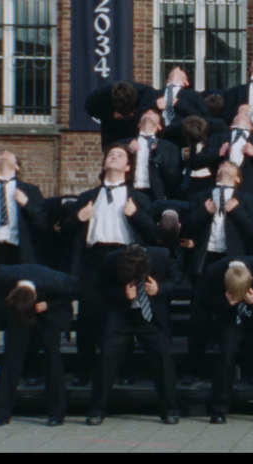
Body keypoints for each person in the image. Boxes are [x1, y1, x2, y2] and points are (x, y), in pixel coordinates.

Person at [65, 143, 157, 386]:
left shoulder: (138, 198)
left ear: (127, 167)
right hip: (94, 257)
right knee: (88, 315)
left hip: (123, 256)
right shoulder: (87, 197)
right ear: (105, 163)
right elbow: (64, 230)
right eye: (111, 155)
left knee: (124, 312)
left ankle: (123, 369)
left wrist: (135, 214)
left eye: (120, 156)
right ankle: (84, 369)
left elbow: (153, 233)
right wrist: (77, 218)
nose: (114, 157)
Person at [0, 151, 47, 386]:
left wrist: (27, 205)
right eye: (1, 155)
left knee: (26, 311)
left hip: (21, 258)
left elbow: (44, 225)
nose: (5, 156)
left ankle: (30, 368)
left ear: (17, 166)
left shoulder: (30, 191)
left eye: (10, 155)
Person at [85, 245, 180, 426]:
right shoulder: (110, 260)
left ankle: (170, 409)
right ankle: (97, 409)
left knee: (163, 355)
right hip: (121, 316)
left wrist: (160, 288)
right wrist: (121, 293)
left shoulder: (162, 255)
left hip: (151, 317)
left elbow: (178, 280)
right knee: (106, 356)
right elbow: (100, 288)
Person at [182, 161, 253, 382]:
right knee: (198, 316)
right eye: (221, 165)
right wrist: (205, 212)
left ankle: (244, 368)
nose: (224, 166)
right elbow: (185, 228)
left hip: (233, 261)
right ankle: (194, 368)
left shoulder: (247, 199)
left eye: (230, 166)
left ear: (237, 179)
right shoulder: (200, 197)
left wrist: (237, 212)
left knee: (238, 315)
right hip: (206, 259)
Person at [0, 264, 82, 427]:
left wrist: (49, 305)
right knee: (11, 359)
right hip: (18, 312)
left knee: (53, 358)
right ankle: (1, 412)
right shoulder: (2, 277)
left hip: (49, 312)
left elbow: (77, 290)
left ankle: (56, 413)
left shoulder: (56, 281)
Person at [201, 257, 253, 424]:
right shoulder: (214, 271)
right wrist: (225, 301)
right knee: (226, 355)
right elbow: (203, 301)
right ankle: (219, 408)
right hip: (230, 318)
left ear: (251, 279)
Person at [201, 113, 253, 195]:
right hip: (218, 191)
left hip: (249, 194)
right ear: (231, 126)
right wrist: (218, 152)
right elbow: (197, 162)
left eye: (246, 116)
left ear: (251, 128)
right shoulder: (217, 139)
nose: (242, 114)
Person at [120, 109, 182, 201]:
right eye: (145, 113)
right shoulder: (123, 144)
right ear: (139, 124)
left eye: (154, 113)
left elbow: (173, 177)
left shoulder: (169, 147)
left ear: (159, 126)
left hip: (155, 195)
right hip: (128, 193)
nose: (149, 112)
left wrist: (157, 152)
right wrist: (128, 152)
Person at [85, 80, 158, 148]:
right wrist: (111, 114)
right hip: (112, 130)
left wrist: (138, 114)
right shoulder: (102, 93)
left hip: (135, 130)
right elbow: (89, 107)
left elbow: (155, 105)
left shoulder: (145, 92)